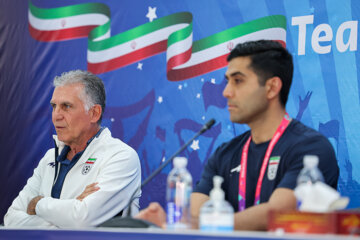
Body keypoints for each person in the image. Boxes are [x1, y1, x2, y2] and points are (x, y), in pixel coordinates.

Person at [136, 40, 339, 230]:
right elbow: (195, 213)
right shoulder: (225, 153)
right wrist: (176, 222)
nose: (226, 92)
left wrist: (191, 223)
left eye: (238, 81)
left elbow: (276, 214)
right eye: (227, 81)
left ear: (271, 88)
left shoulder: (311, 148)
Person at [4, 70, 141, 228]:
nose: (56, 115)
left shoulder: (121, 157)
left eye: (66, 106)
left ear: (94, 113)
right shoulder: (49, 158)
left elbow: (83, 220)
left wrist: (38, 204)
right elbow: (11, 219)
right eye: (54, 106)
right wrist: (71, 210)